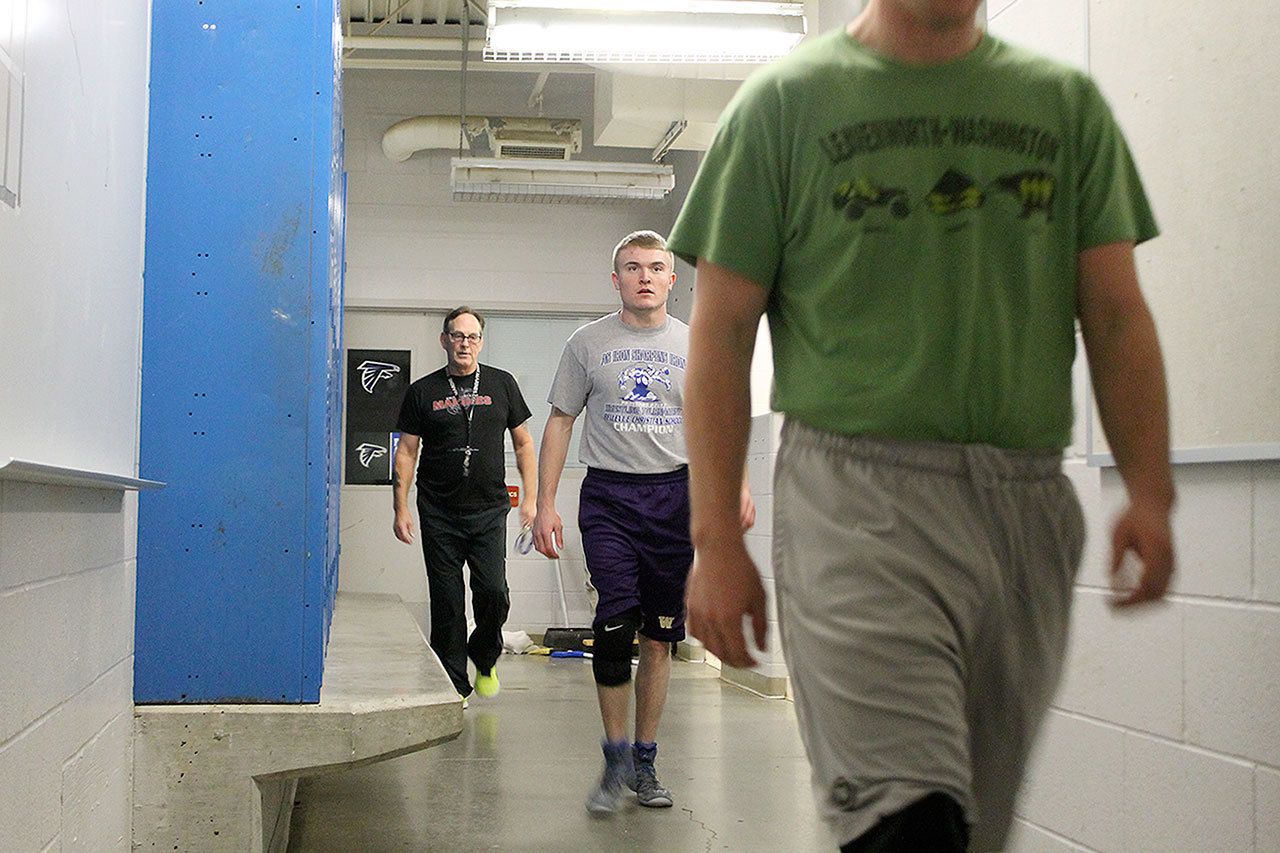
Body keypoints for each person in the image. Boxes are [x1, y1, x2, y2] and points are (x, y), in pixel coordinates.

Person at [668, 1, 1176, 850]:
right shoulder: (784, 104)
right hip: (856, 503)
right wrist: (716, 538)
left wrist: (1150, 491)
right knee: (907, 823)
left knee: (970, 828)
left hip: (1023, 505)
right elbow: (720, 332)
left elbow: (1117, 315)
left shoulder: (1061, 104)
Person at [532, 230, 754, 815]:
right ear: (617, 279)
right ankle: (614, 758)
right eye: (633, 268)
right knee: (612, 621)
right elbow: (558, 422)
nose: (646, 277)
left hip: (673, 498)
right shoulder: (586, 344)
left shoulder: (695, 344)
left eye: (656, 267)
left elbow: (719, 420)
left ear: (672, 279)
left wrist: (740, 486)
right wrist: (543, 503)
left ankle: (646, 761)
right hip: (608, 495)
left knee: (660, 635)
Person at [393, 306, 537, 704]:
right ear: (444, 340)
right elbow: (406, 451)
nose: (464, 343)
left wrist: (532, 498)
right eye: (457, 336)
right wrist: (400, 507)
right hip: (438, 511)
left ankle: (485, 656)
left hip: (489, 510)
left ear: (481, 342)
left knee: (493, 592)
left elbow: (524, 442)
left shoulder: (502, 384)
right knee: (447, 601)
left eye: (472, 337)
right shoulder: (422, 391)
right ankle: (453, 686)